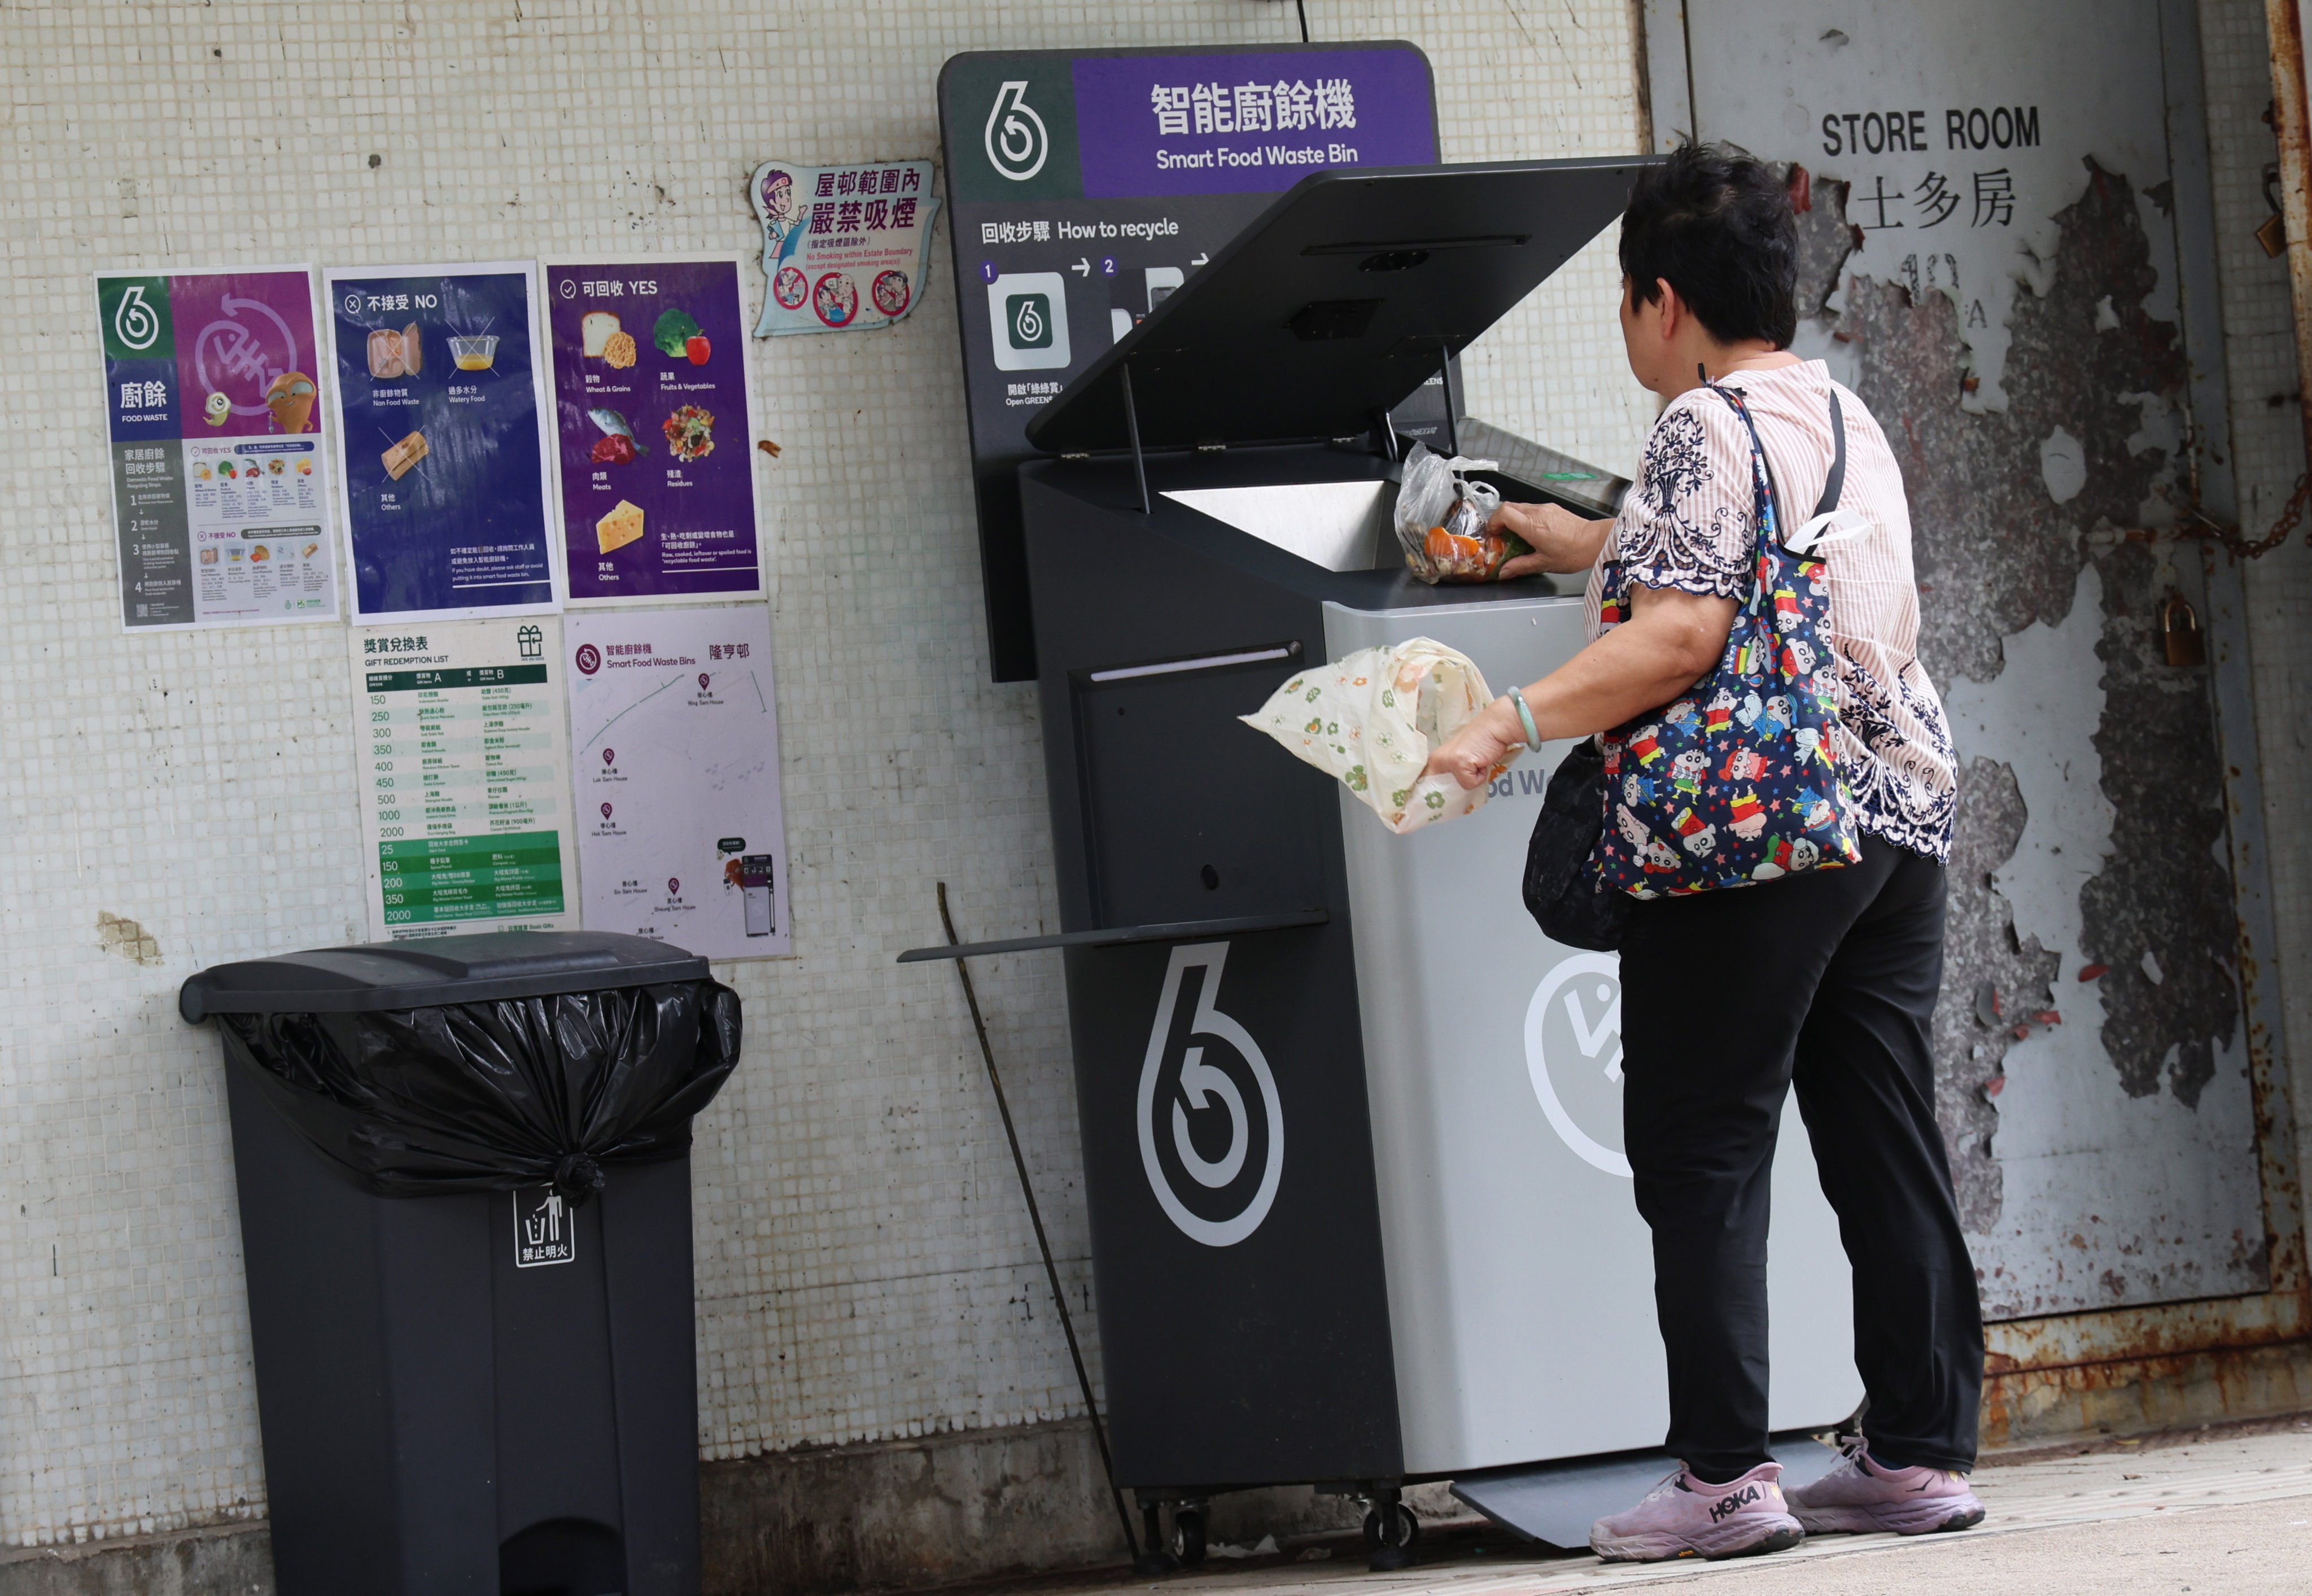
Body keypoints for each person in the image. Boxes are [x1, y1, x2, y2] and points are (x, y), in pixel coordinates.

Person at [1423, 141, 1986, 1563]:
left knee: (1701, 1148)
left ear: (1660, 303)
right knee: (1879, 1140)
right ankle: (1915, 1451)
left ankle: (1727, 1476)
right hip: (1888, 824)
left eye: (1623, 303)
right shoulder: (1841, 412)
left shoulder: (1696, 423)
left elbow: (1681, 634)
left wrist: (1506, 722)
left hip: (1757, 836)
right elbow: (1756, 565)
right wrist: (1578, 543)